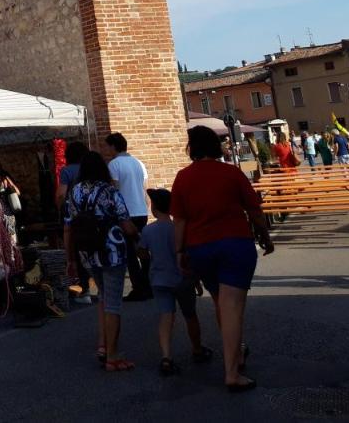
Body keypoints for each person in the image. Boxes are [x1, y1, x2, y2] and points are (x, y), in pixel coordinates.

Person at [172, 125, 274, 392]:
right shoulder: (231, 173)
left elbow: (179, 221)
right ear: (216, 146)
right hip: (234, 244)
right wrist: (265, 235)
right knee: (232, 307)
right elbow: (254, 209)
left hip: (200, 248)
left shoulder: (183, 177)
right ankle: (232, 371)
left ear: (191, 147)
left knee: (221, 302)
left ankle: (237, 352)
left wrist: (179, 252)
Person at [64, 151, 140, 372]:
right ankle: (113, 355)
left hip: (87, 253)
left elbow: (68, 227)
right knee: (113, 303)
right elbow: (127, 224)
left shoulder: (74, 193)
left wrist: (70, 258)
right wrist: (138, 238)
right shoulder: (109, 191)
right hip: (112, 251)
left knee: (103, 297)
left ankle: (103, 345)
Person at [139, 189, 212, 375]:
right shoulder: (179, 229)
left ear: (154, 208)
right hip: (182, 278)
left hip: (158, 279)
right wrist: (196, 280)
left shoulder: (148, 230)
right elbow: (188, 255)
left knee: (165, 317)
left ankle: (166, 356)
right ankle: (197, 349)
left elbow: (141, 253)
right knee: (190, 315)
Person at [104, 132, 152, 301]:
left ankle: (139, 288)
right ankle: (149, 284)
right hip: (141, 211)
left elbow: (115, 190)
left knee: (130, 253)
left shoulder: (114, 165)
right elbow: (145, 189)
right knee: (143, 250)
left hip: (125, 213)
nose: (106, 149)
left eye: (107, 146)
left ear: (113, 146)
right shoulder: (139, 163)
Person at [57, 142, 92, 303]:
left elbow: (61, 195)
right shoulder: (90, 169)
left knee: (76, 249)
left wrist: (60, 206)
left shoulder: (67, 171)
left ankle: (84, 289)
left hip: (74, 216)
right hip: (92, 213)